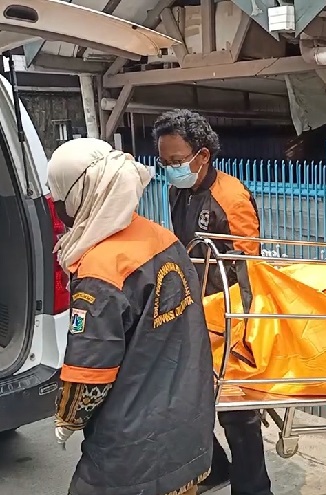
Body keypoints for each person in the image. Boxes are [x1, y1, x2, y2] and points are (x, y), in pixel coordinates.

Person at [48, 138, 215, 495]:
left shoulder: (101, 268)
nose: (56, 204)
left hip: (134, 452)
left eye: (58, 193)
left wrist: (68, 417)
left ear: (80, 195)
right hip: (188, 428)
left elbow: (90, 372)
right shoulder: (160, 237)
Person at [153, 109, 272, 495]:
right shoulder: (179, 191)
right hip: (196, 309)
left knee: (238, 413)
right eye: (164, 162)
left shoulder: (232, 199)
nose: (170, 169)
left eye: (176, 161)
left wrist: (246, 331)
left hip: (229, 314)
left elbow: (248, 270)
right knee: (189, 398)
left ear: (202, 156)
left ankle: (254, 488)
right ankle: (215, 468)